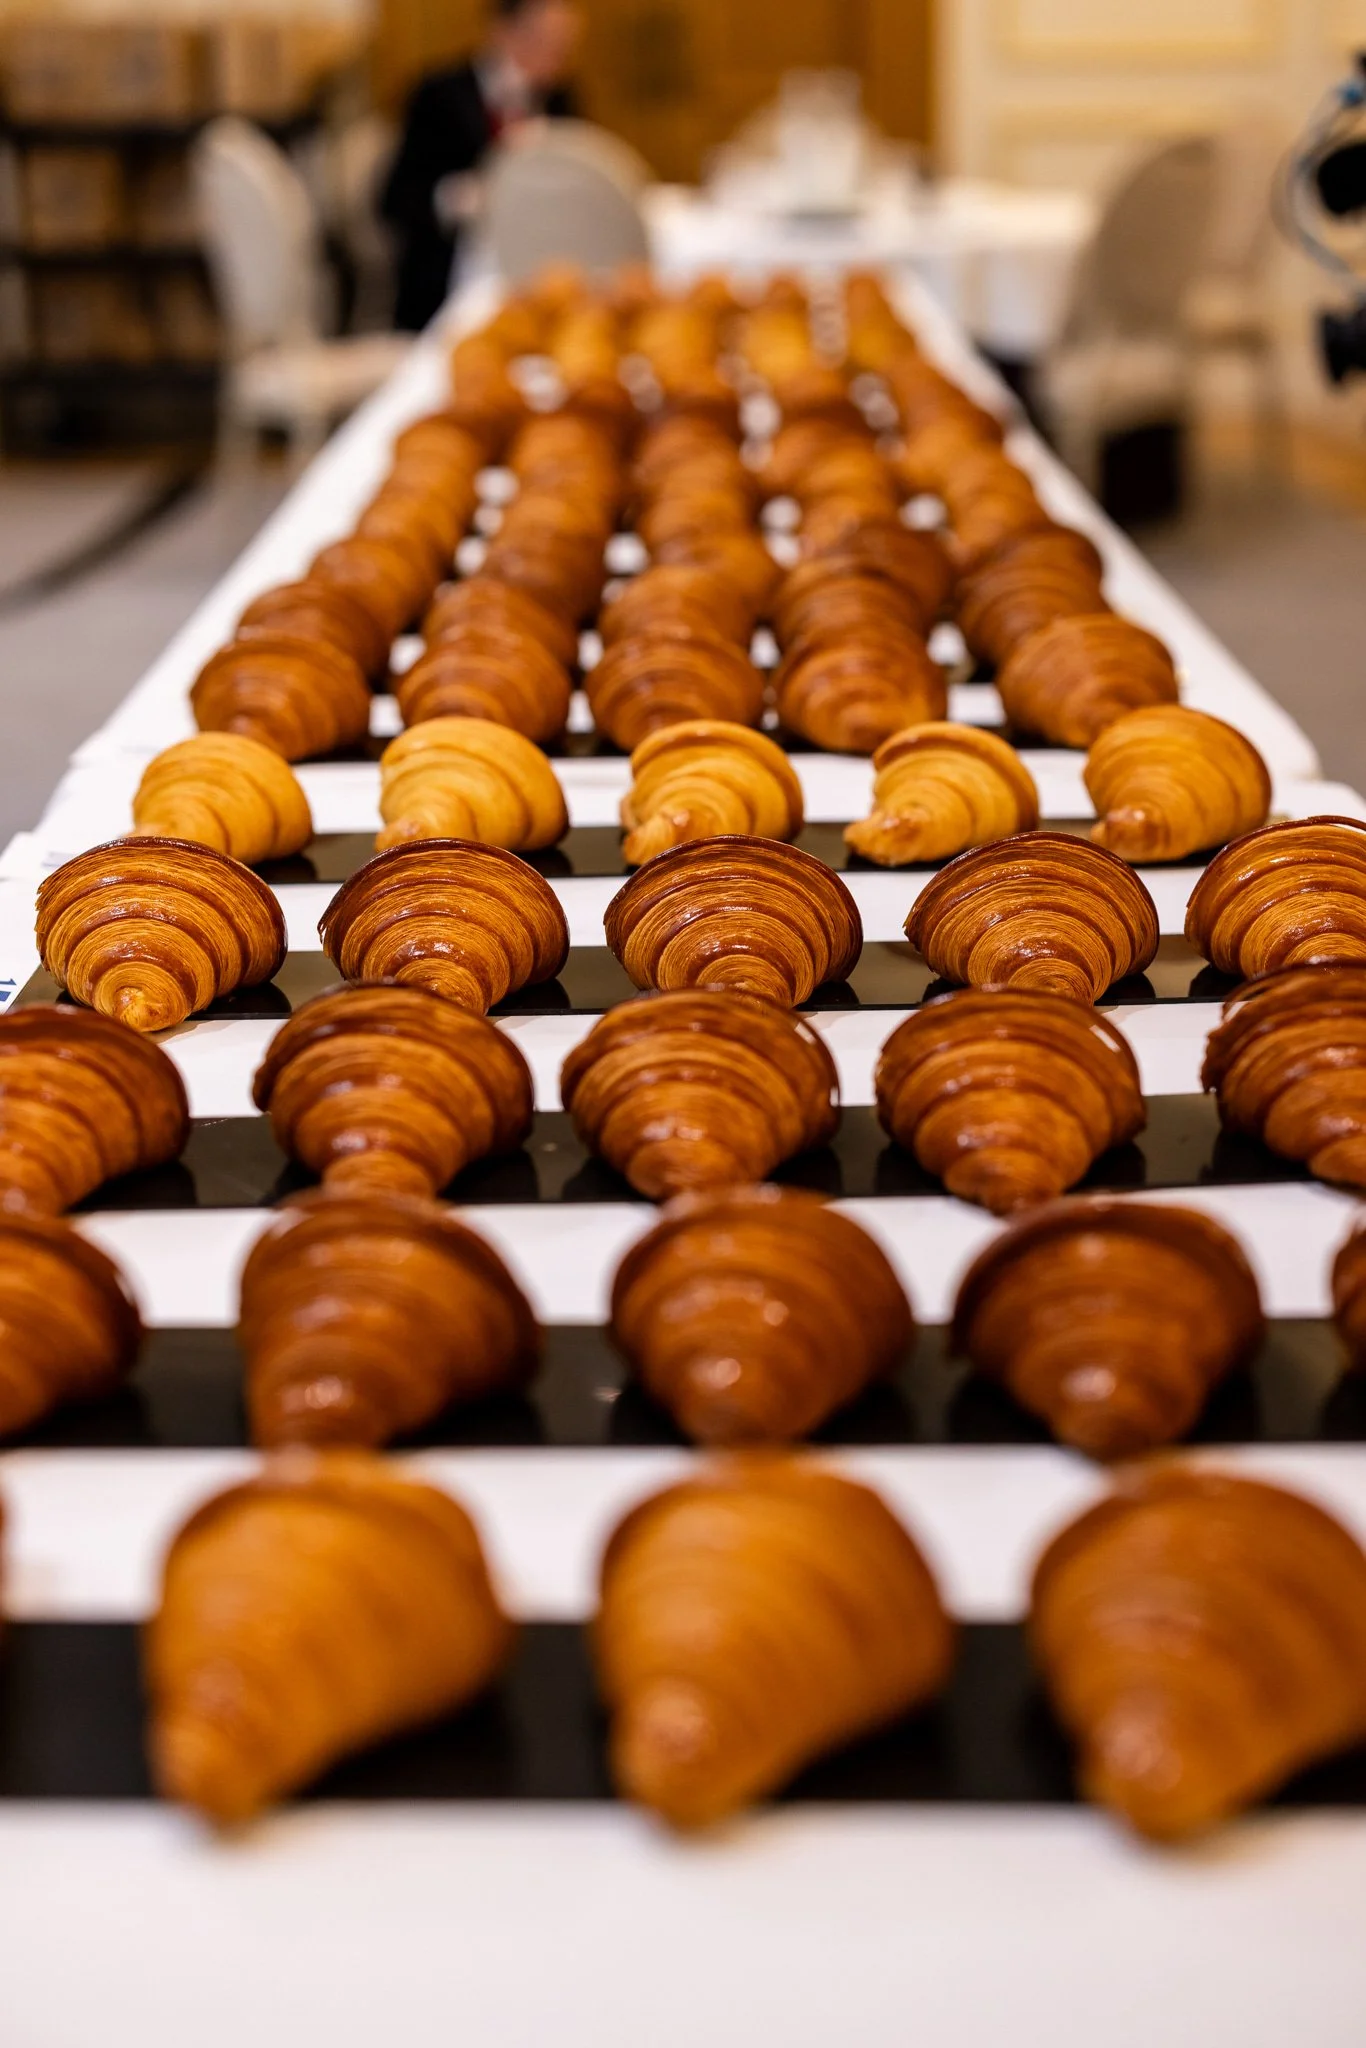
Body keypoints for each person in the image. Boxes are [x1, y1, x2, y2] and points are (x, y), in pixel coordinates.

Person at [381, 0, 584, 330]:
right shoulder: (439, 95)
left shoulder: (560, 98)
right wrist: (456, 198)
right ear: (503, 31)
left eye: (563, 48)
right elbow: (393, 200)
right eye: (543, 41)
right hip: (449, 288)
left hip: (534, 280)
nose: (555, 60)